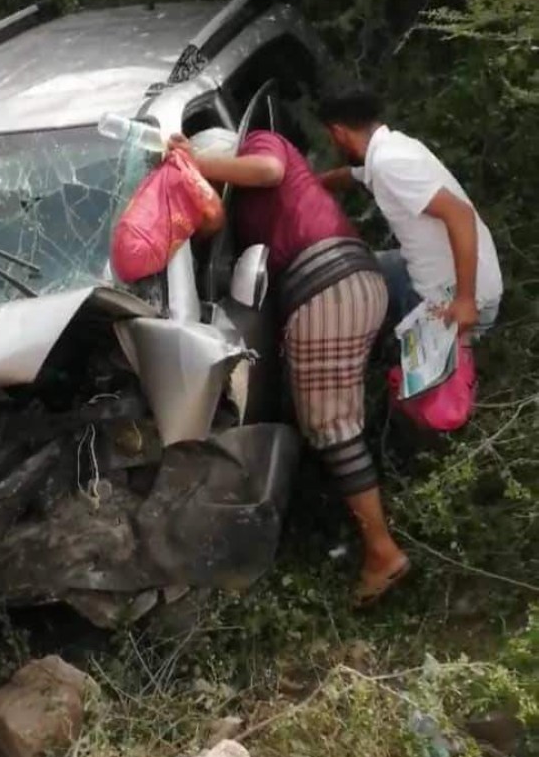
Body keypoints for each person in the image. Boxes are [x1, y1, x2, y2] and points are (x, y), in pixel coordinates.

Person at [171, 126, 409, 606]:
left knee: (332, 427)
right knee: (337, 420)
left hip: (327, 286)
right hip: (345, 282)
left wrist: (186, 163)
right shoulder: (247, 204)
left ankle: (383, 552)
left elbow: (267, 168)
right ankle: (361, 533)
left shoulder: (262, 142)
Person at [317, 87, 502, 340]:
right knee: (353, 272)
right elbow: (352, 176)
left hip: (458, 297)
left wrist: (465, 300)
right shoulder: (392, 147)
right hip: (441, 272)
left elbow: (461, 215)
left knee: (343, 292)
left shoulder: (389, 163)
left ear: (338, 132)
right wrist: (309, 183)